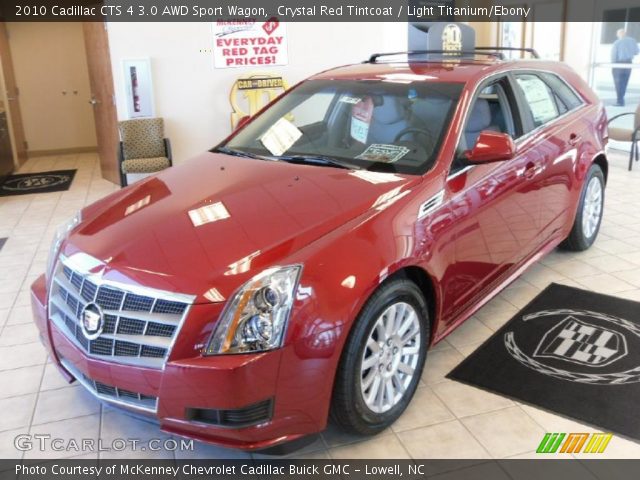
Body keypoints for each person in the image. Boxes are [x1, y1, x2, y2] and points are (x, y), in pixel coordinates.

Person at [611, 29, 639, 107]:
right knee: (624, 82)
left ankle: (620, 101)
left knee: (618, 83)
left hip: (619, 64)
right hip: (629, 64)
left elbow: (614, 55)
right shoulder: (632, 41)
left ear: (619, 34)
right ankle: (621, 100)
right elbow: (636, 52)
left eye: (617, 34)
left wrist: (613, 65)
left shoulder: (617, 42)